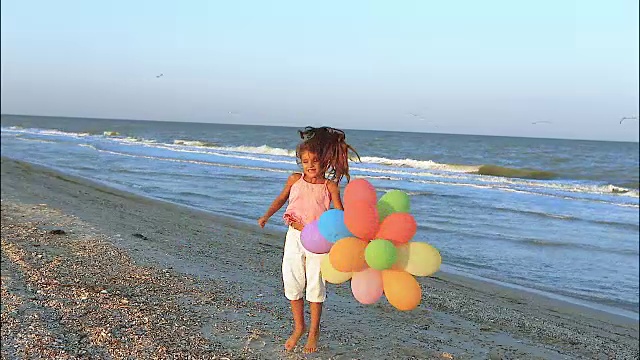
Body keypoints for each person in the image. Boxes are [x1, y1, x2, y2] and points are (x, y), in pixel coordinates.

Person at [258, 126, 359, 353]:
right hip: (294, 236)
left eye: (314, 161)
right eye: (305, 161)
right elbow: (280, 200)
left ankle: (313, 332)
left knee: (315, 285)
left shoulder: (329, 186)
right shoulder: (294, 180)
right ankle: (299, 327)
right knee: (292, 282)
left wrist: (350, 234)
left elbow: (338, 215)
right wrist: (266, 216)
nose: (310, 165)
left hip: (319, 241)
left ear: (324, 162)